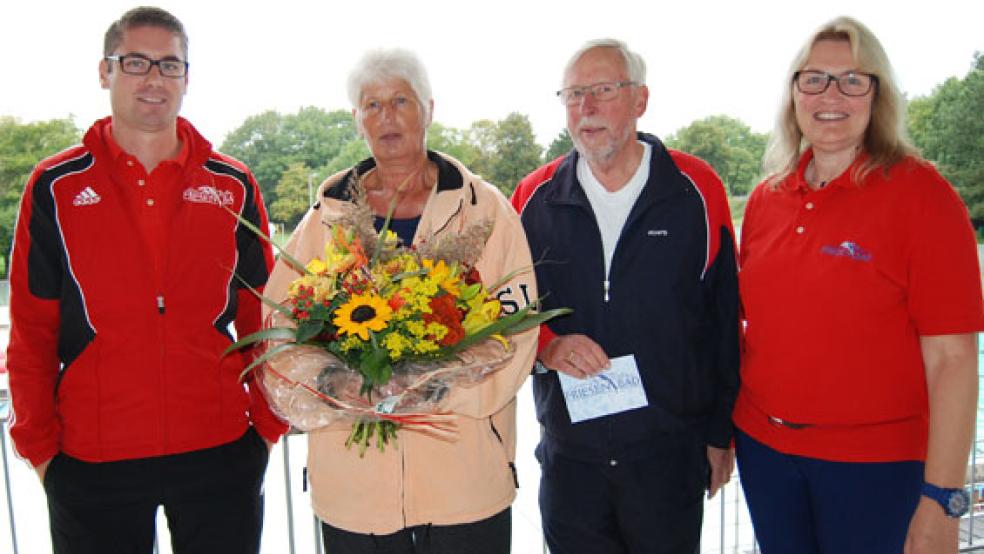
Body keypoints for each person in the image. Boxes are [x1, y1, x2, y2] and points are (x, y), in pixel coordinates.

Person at [5, 6, 287, 553]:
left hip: (220, 448)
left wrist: (268, 428)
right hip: (93, 460)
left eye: (170, 65)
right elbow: (32, 331)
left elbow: (264, 319)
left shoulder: (232, 183)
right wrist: (41, 453)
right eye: (136, 62)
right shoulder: (55, 186)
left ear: (187, 77)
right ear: (105, 71)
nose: (154, 78)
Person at [263, 48, 537, 554]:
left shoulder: (487, 210)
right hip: (354, 489)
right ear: (356, 119)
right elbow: (281, 326)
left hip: (465, 480)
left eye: (400, 101)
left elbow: (518, 330)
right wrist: (337, 383)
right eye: (371, 105)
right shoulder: (325, 218)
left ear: (428, 109)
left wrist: (432, 390)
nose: (386, 117)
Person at [734, 16, 984, 554]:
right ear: (794, 93)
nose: (832, 95)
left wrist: (943, 498)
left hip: (877, 469)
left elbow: (954, 361)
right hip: (765, 455)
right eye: (815, 79)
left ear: (878, 95)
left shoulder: (923, 197)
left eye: (853, 80)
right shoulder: (764, 200)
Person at [511, 38, 740, 553]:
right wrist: (547, 344)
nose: (585, 108)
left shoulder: (696, 189)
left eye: (603, 91)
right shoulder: (532, 198)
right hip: (571, 464)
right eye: (573, 95)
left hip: (669, 461)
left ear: (640, 100)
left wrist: (720, 434)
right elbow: (504, 310)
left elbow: (723, 319)